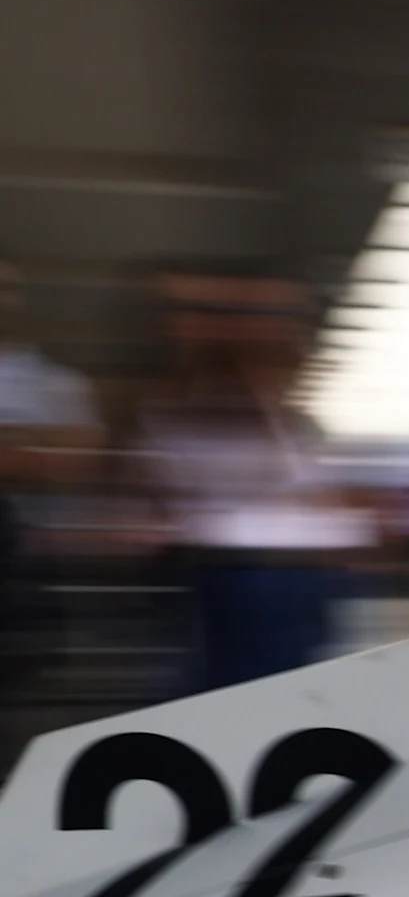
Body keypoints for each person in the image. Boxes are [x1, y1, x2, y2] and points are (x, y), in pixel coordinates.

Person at [136, 272, 371, 692]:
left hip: (294, 587)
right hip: (229, 583)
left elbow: (336, 511)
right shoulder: (178, 416)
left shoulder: (301, 427)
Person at [0, 262, 102, 705]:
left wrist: (33, 453)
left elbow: (72, 464)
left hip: (24, 572)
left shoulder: (58, 384)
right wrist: (27, 440)